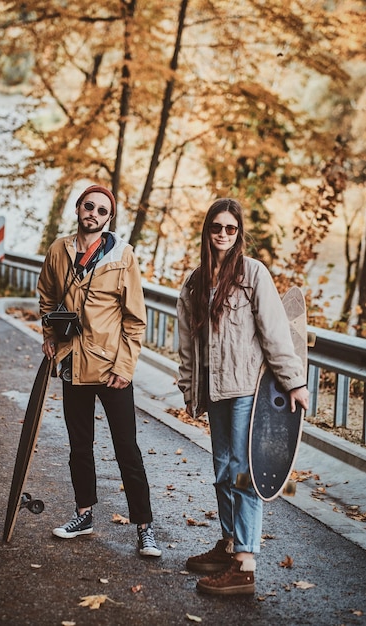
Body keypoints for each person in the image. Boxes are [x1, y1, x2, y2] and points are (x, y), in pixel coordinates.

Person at [177, 198, 309, 594]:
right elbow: (187, 343)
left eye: (230, 229)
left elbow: (275, 333)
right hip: (214, 392)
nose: (222, 235)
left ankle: (245, 564)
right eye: (216, 227)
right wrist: (189, 389)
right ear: (207, 230)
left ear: (239, 233)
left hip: (246, 392)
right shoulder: (194, 281)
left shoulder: (252, 274)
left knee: (243, 472)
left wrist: (294, 382)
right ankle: (229, 544)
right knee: (222, 472)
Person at [37, 184, 161, 558]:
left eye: (101, 210)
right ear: (78, 208)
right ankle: (84, 514)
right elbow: (45, 295)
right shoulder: (59, 250)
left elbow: (135, 320)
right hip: (73, 363)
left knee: (127, 449)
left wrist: (125, 367)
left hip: (110, 369)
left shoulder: (123, 256)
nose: (93, 213)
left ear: (109, 219)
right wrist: (49, 336)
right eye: (88, 206)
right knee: (79, 447)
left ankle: (144, 527)